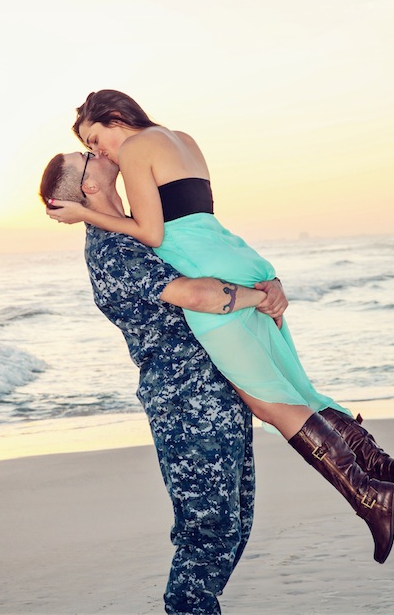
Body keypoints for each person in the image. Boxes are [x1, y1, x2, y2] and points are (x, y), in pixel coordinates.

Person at [47, 91, 394, 564]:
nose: (100, 152)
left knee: (271, 401)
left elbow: (154, 235)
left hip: (212, 279)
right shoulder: (180, 139)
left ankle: (372, 497)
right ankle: (387, 468)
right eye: (90, 148)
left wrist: (85, 214)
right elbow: (192, 215)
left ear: (117, 119)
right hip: (235, 257)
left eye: (95, 139)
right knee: (290, 386)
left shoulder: (137, 148)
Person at [40, 150, 282, 614]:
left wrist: (269, 284)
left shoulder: (141, 227)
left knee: (233, 525)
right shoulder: (111, 251)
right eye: (88, 155)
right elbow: (196, 294)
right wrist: (261, 298)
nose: (101, 151)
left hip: (216, 389)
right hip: (185, 400)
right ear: (89, 186)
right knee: (207, 532)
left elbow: (212, 258)